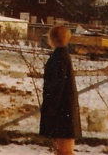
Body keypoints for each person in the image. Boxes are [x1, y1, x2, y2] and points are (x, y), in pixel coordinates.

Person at [39, 24, 82, 155]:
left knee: (64, 150)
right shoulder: (62, 56)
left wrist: (51, 107)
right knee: (63, 149)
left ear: (51, 39)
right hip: (65, 108)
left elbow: (57, 86)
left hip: (61, 109)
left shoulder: (58, 58)